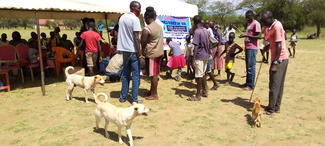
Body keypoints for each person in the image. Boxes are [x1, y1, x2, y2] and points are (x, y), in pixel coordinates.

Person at [261, 11, 289, 115]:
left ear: (270, 18)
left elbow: (279, 45)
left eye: (264, 21)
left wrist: (274, 63)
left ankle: (271, 108)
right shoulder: (270, 26)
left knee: (274, 84)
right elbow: (272, 42)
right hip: (280, 58)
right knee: (278, 84)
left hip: (280, 59)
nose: (263, 23)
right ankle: (276, 107)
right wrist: (266, 47)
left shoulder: (277, 26)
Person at [117, 1, 142, 103]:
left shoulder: (122, 17)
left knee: (125, 75)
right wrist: (139, 52)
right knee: (136, 76)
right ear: (133, 8)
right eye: (138, 8)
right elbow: (136, 37)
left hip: (124, 50)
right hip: (133, 51)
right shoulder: (135, 19)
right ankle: (134, 99)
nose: (140, 10)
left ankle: (122, 97)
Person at [141, 6, 164, 100]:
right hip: (159, 53)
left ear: (146, 17)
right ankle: (152, 91)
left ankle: (154, 95)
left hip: (151, 54)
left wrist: (141, 53)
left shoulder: (147, 29)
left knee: (153, 75)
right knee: (154, 74)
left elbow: (142, 42)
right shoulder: (159, 27)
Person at [187, 15, 210, 101]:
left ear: (195, 23)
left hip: (199, 56)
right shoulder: (206, 31)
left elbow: (196, 46)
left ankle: (198, 95)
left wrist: (193, 58)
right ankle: (205, 91)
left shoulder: (197, 32)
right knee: (203, 74)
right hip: (206, 55)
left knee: (198, 76)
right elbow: (210, 43)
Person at [239, 10, 262, 91]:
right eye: (246, 17)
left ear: (252, 16)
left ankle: (251, 85)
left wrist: (246, 35)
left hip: (252, 47)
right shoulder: (249, 24)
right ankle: (248, 82)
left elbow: (259, 36)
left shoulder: (256, 23)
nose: (246, 18)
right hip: (248, 47)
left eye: (248, 17)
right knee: (248, 66)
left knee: (251, 66)